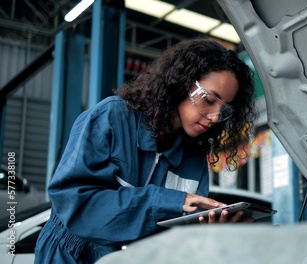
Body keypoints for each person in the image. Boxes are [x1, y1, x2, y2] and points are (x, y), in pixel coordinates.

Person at [34, 37, 256, 263]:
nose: (215, 116)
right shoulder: (111, 119)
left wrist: (209, 231)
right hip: (71, 255)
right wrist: (166, 202)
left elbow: (173, 241)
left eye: (224, 110)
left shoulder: (194, 160)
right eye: (209, 100)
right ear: (181, 83)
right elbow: (76, 205)